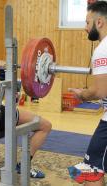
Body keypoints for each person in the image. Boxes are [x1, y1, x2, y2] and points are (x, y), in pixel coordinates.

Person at [67, 1, 107, 186]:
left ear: (99, 23)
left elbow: (100, 91)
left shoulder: (102, 48)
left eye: (87, 22)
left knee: (87, 171)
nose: (85, 27)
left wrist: (81, 94)